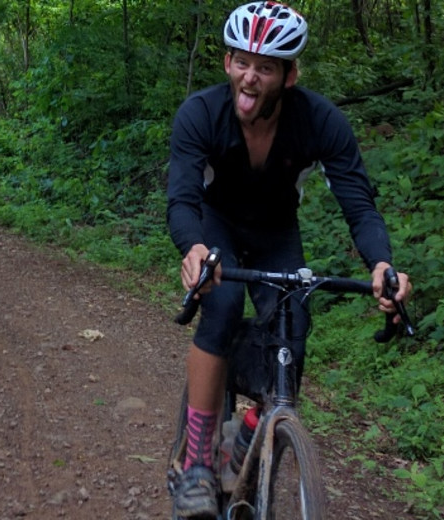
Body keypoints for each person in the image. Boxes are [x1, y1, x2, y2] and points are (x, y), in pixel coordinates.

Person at [166, 2, 411, 518]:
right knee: (223, 306)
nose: (250, 77)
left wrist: (380, 264)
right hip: (218, 228)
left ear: (290, 74)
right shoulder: (200, 113)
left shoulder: (320, 121)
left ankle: (257, 427)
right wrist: (193, 249)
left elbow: (358, 203)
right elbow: (183, 198)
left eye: (267, 66)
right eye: (241, 61)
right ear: (228, 62)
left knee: (293, 322)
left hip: (277, 231)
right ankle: (194, 464)